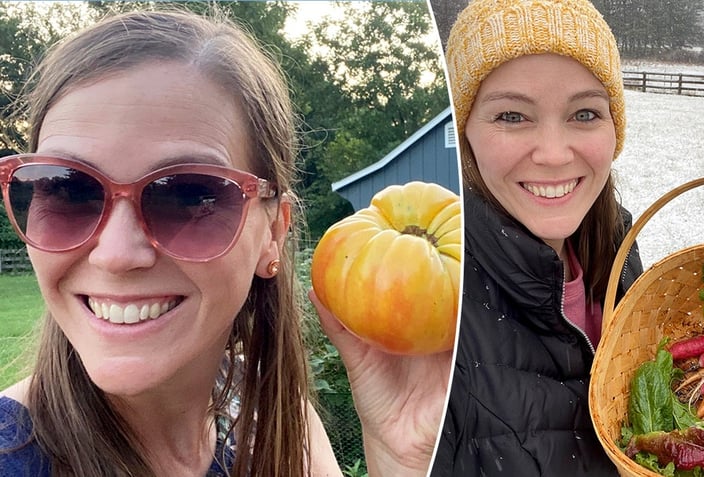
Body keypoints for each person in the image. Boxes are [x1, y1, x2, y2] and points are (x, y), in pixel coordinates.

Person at [0, 7, 448, 477]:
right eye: (69, 189)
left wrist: (407, 458)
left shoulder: (275, 422)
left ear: (272, 234)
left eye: (190, 196)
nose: (116, 254)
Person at [430, 0, 645, 475]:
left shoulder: (620, 247)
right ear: (466, 133)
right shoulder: (439, 313)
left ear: (615, 128)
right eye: (512, 116)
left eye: (585, 114)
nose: (552, 154)